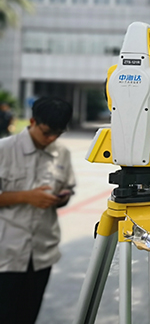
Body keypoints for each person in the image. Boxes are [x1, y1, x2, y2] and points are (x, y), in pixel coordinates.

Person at [0, 96, 76, 324]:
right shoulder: (4, 150)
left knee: (28, 316)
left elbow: (67, 188)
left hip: (42, 253)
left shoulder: (61, 152)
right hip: (6, 254)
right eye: (46, 132)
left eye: (58, 133)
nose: (51, 138)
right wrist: (26, 196)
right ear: (32, 121)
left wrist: (59, 199)